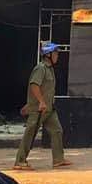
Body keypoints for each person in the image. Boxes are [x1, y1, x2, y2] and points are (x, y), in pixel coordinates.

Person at [13, 42, 72, 170]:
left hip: (49, 108)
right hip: (39, 109)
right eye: (55, 53)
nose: (57, 56)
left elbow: (45, 89)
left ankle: (58, 159)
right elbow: (34, 85)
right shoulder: (41, 68)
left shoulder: (50, 69)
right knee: (30, 133)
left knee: (57, 131)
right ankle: (20, 161)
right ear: (48, 55)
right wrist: (40, 102)